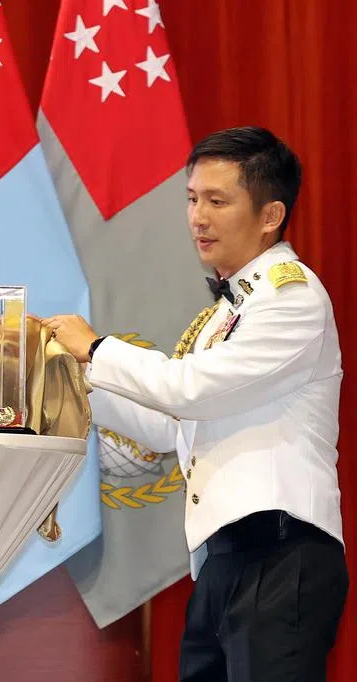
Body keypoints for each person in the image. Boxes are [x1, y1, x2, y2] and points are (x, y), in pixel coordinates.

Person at [45, 126, 346, 682]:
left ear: (271, 214)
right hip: (223, 559)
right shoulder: (228, 311)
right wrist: (70, 382)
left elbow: (188, 389)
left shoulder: (291, 297)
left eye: (217, 201)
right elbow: (170, 425)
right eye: (191, 199)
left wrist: (95, 348)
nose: (197, 218)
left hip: (280, 553)